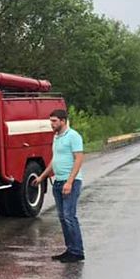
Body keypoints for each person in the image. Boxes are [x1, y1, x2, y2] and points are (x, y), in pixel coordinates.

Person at [33, 108, 85, 263]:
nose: (52, 124)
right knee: (62, 218)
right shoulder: (56, 137)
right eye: (51, 121)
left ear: (63, 121)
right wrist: (42, 177)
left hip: (71, 182)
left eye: (54, 121)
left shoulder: (73, 136)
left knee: (70, 216)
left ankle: (77, 251)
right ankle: (70, 249)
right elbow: (54, 161)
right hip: (58, 182)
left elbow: (78, 159)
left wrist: (70, 182)